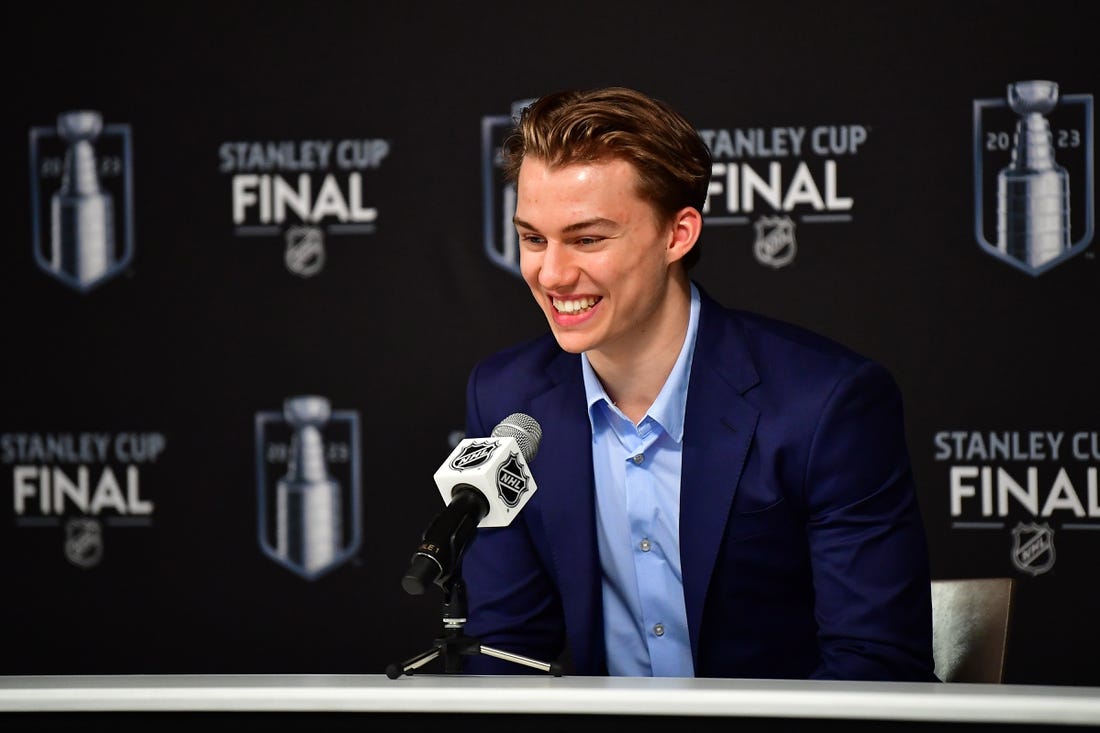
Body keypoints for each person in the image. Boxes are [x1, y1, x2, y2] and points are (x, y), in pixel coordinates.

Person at [459, 86, 936, 681]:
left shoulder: (826, 405)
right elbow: (505, 652)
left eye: (587, 239)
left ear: (677, 235)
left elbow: (877, 665)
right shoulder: (506, 399)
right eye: (534, 238)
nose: (551, 273)